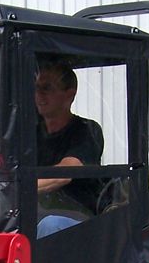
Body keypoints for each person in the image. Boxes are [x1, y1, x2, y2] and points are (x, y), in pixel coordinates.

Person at [33, 61, 104, 237]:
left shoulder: (86, 130)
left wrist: (19, 188)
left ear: (69, 96)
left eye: (47, 88)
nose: (39, 94)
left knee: (50, 225)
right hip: (33, 213)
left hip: (75, 215)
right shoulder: (29, 134)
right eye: (37, 87)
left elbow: (64, 174)